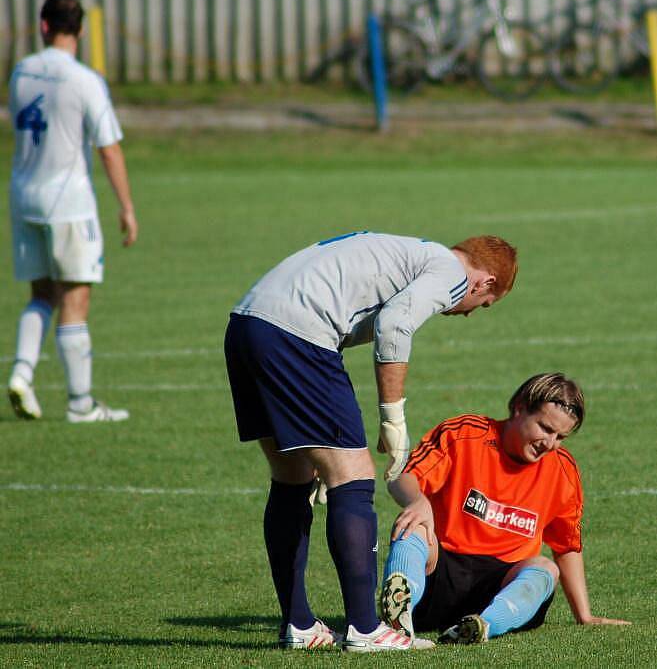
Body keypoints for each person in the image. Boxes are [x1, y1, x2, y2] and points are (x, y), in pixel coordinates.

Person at [224, 231, 518, 651]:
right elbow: (395, 323)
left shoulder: (413, 252)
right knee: (355, 475)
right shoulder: (453, 272)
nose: (471, 312)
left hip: (246, 326)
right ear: (484, 282)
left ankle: (299, 625)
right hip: (297, 334)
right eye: (483, 305)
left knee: (293, 476)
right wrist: (392, 419)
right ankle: (365, 629)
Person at [379, 372, 630, 645]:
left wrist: (585, 615)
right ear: (519, 408)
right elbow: (403, 478)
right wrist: (417, 500)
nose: (549, 444)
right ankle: (399, 616)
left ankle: (482, 625)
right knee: (413, 527)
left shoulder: (563, 471)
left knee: (545, 568)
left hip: (501, 588)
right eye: (545, 428)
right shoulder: (464, 434)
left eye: (560, 437)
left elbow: (566, 546)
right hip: (439, 575)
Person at [7, 0, 138, 423]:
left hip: (23, 196)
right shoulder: (84, 80)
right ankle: (80, 403)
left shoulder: (20, 71)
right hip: (68, 201)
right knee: (75, 298)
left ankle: (22, 374)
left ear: (43, 25)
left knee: (40, 294)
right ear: (80, 31)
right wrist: (126, 207)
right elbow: (109, 148)